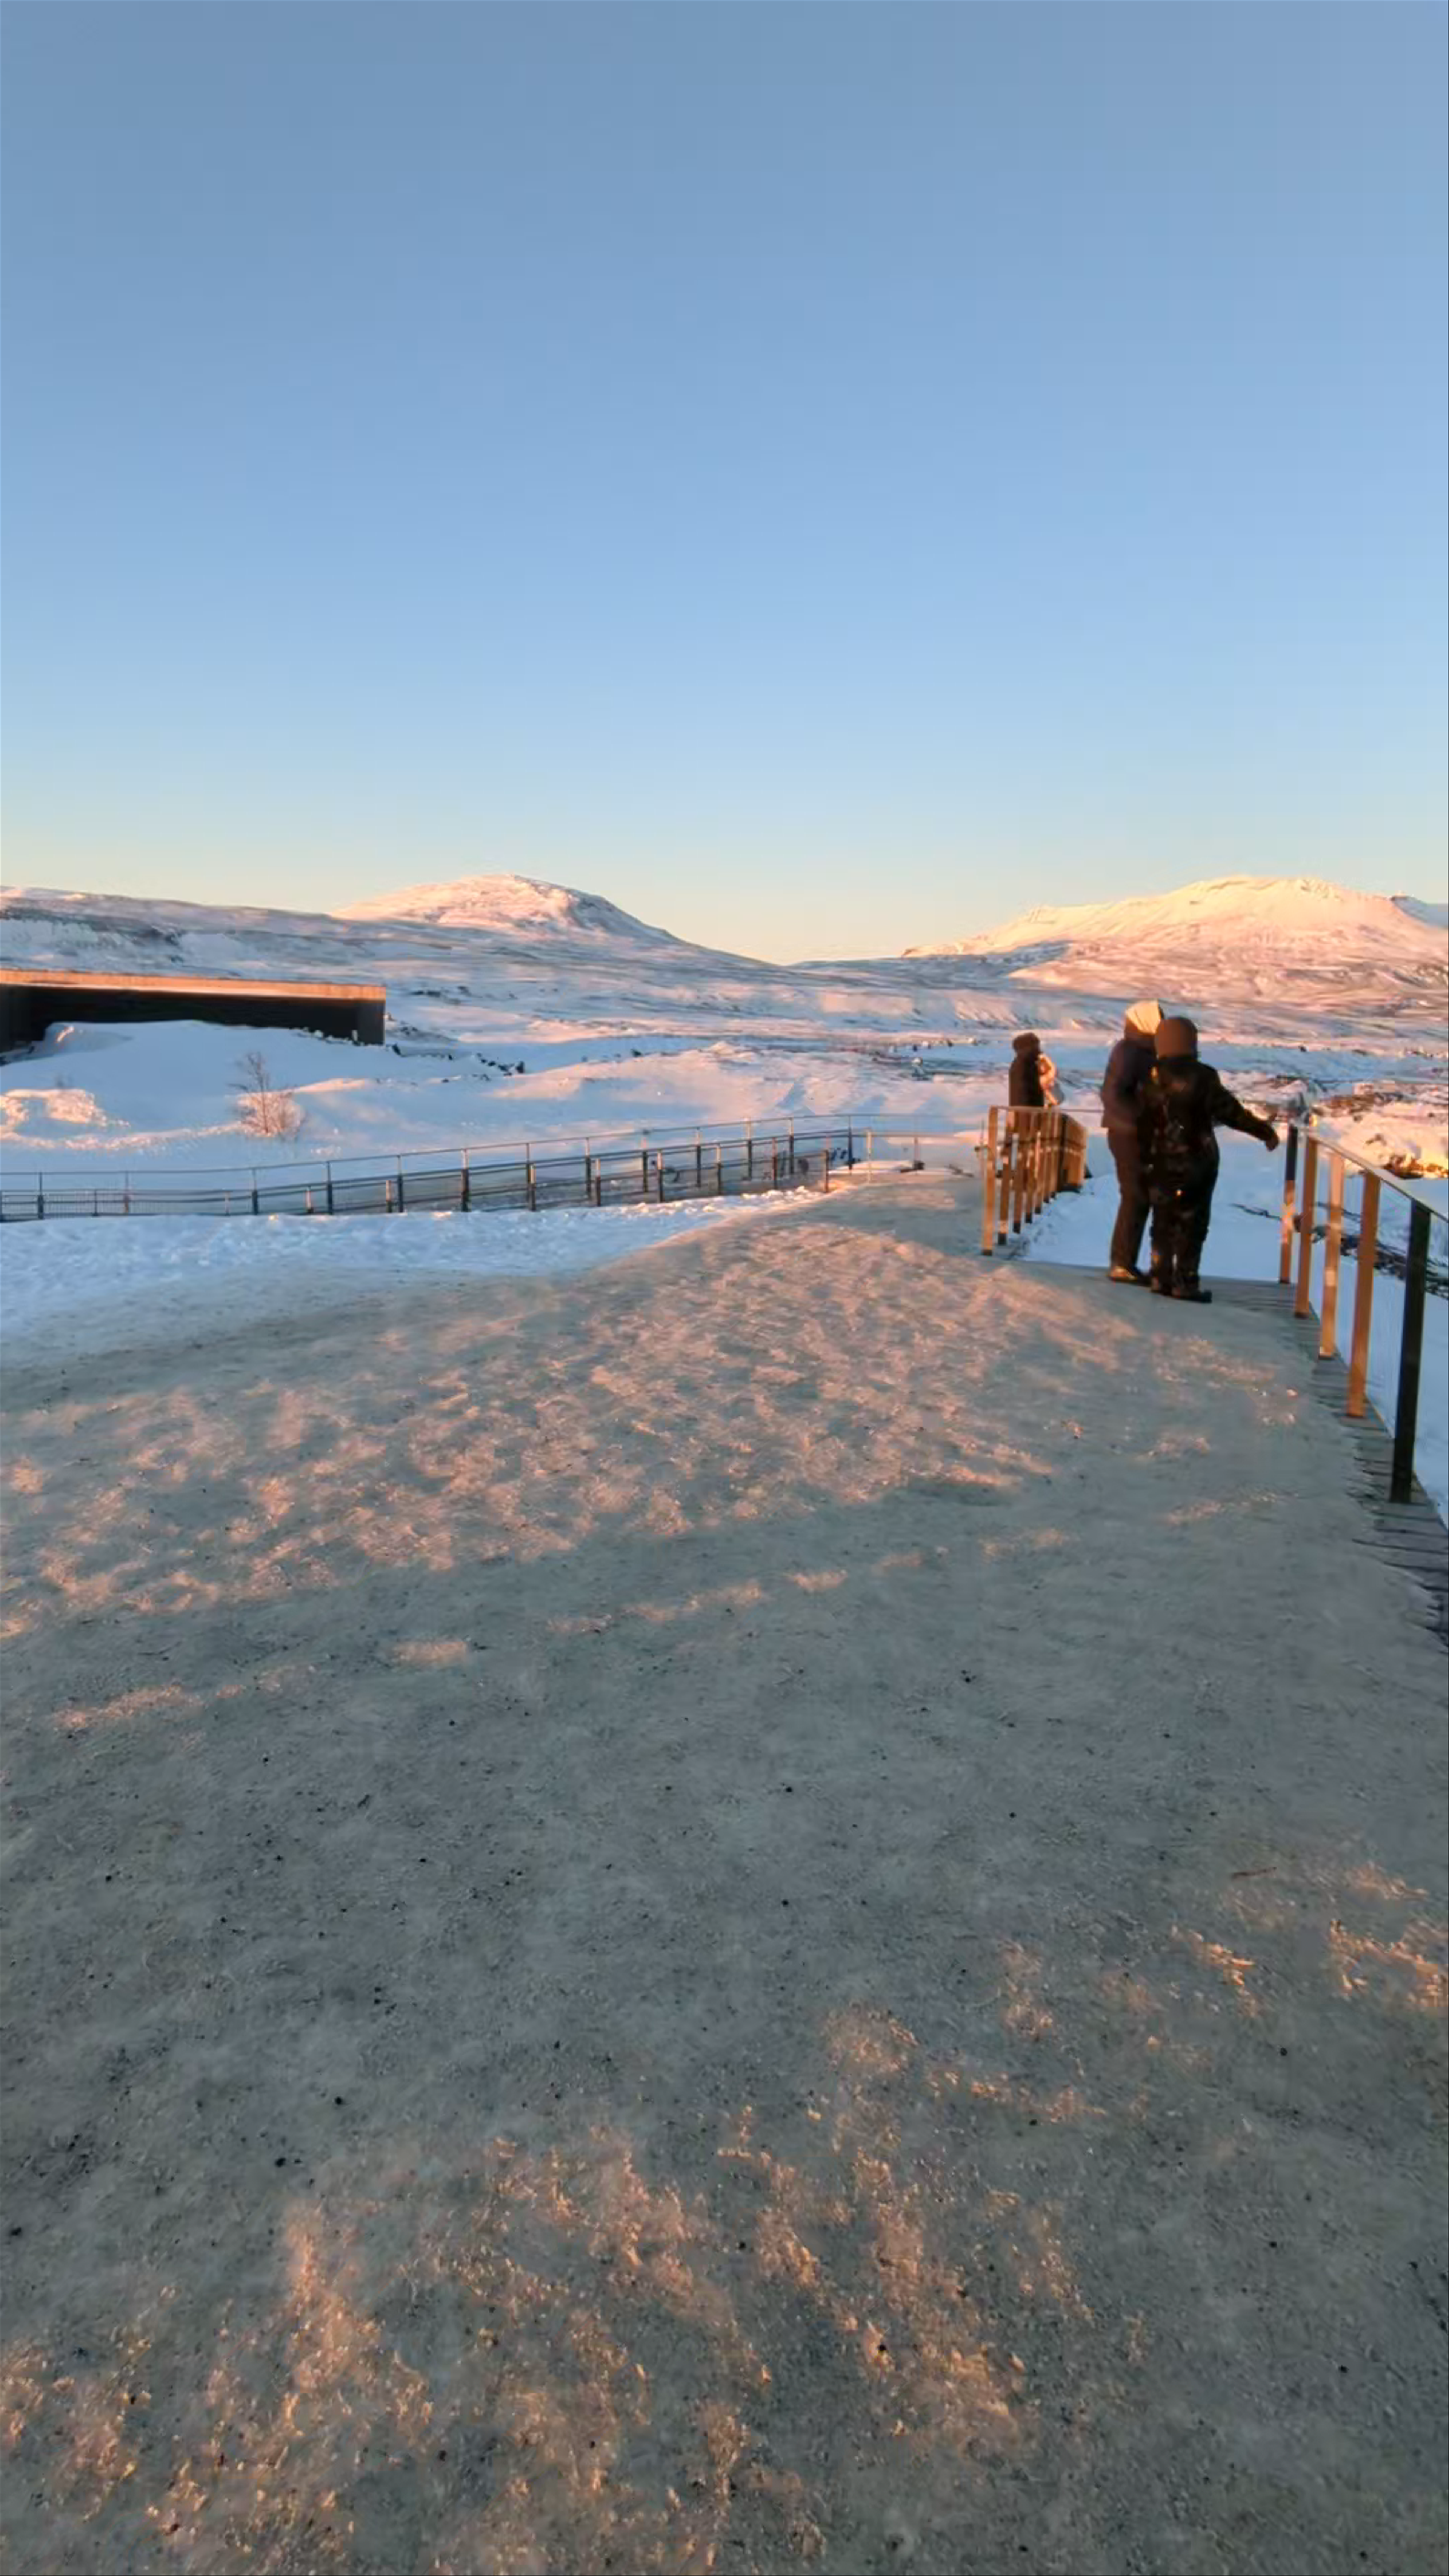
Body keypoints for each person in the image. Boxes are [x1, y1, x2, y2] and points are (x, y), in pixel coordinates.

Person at [1138, 1017, 1279, 1303]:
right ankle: (1185, 1283)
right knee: (1193, 1222)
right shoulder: (1204, 1076)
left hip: (1159, 1160)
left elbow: (1142, 1122)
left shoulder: (1149, 1076)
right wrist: (1264, 1132)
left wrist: (1144, 1157)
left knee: (1162, 1219)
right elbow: (1231, 1112)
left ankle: (1159, 1277)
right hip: (1197, 1160)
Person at [1100, 998, 1164, 1282]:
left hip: (1136, 1133)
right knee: (1135, 1196)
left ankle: (1127, 1262)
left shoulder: (1144, 1051)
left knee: (1141, 1197)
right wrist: (1140, 1120)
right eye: (1160, 1017)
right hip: (1129, 1135)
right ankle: (1122, 1263)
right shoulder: (1130, 1051)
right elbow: (1113, 1094)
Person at [1008, 1032, 1047, 1110]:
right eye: (1036, 1046)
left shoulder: (1020, 1062)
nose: (1039, 1049)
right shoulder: (1028, 1063)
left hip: (1023, 1112)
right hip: (1030, 1113)